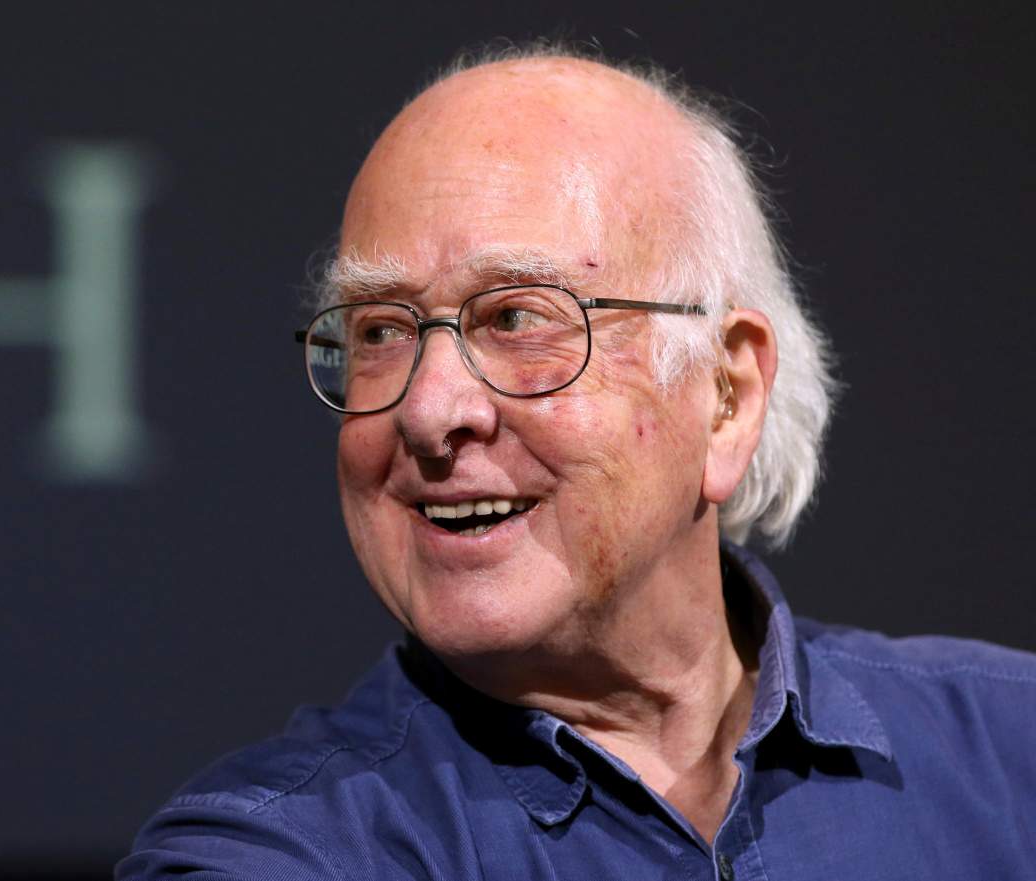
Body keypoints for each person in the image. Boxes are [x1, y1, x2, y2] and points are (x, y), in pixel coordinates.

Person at [118, 46, 1036, 879]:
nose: (432, 411)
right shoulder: (280, 854)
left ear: (725, 395)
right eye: (383, 331)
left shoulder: (1009, 753)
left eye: (516, 318)